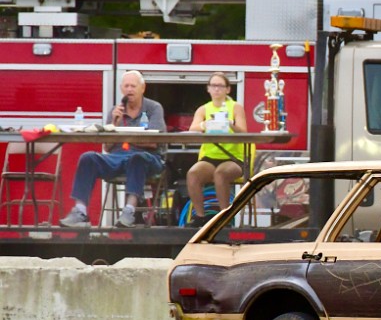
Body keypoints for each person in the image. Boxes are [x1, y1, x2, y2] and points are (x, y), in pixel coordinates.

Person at [59, 70, 166, 228]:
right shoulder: (115, 111)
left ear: (143, 88)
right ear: (122, 89)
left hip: (148, 158)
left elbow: (154, 142)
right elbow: (107, 147)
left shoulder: (153, 108)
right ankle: (80, 212)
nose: (129, 89)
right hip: (118, 156)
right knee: (88, 158)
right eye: (126, 86)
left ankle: (129, 211)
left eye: (133, 86)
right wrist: (114, 124)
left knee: (137, 159)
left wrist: (123, 136)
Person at [184, 73, 249, 227]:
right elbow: (192, 128)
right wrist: (204, 125)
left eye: (220, 86)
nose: (217, 89)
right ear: (208, 89)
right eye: (213, 86)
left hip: (233, 158)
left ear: (228, 89)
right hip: (210, 157)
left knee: (220, 174)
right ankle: (200, 217)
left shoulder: (235, 107)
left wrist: (230, 124)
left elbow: (244, 132)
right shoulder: (203, 109)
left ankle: (224, 217)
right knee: (193, 174)